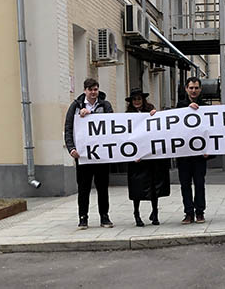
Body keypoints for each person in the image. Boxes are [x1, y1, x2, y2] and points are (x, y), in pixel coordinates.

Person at [64, 78, 115, 230]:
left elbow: (111, 124)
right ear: (85, 90)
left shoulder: (105, 105)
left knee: (103, 187)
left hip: (101, 156)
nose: (93, 92)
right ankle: (83, 217)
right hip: (83, 156)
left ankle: (104, 216)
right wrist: (71, 148)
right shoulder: (75, 106)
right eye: (90, 90)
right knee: (84, 188)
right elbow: (68, 128)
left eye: (96, 89)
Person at [125, 88, 170, 227]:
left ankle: (155, 212)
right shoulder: (127, 115)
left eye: (139, 99)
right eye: (134, 99)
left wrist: (155, 116)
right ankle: (136, 213)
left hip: (151, 156)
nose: (137, 101)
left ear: (143, 100)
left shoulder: (151, 111)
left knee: (154, 185)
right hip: (136, 157)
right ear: (131, 102)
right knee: (136, 186)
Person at [175, 76, 210, 224]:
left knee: (199, 183)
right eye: (191, 88)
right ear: (186, 89)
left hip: (200, 154)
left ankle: (200, 212)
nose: (194, 90)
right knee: (185, 184)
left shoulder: (207, 107)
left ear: (200, 89)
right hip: (183, 153)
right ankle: (188, 212)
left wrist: (210, 149)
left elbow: (211, 130)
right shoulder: (180, 106)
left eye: (196, 88)